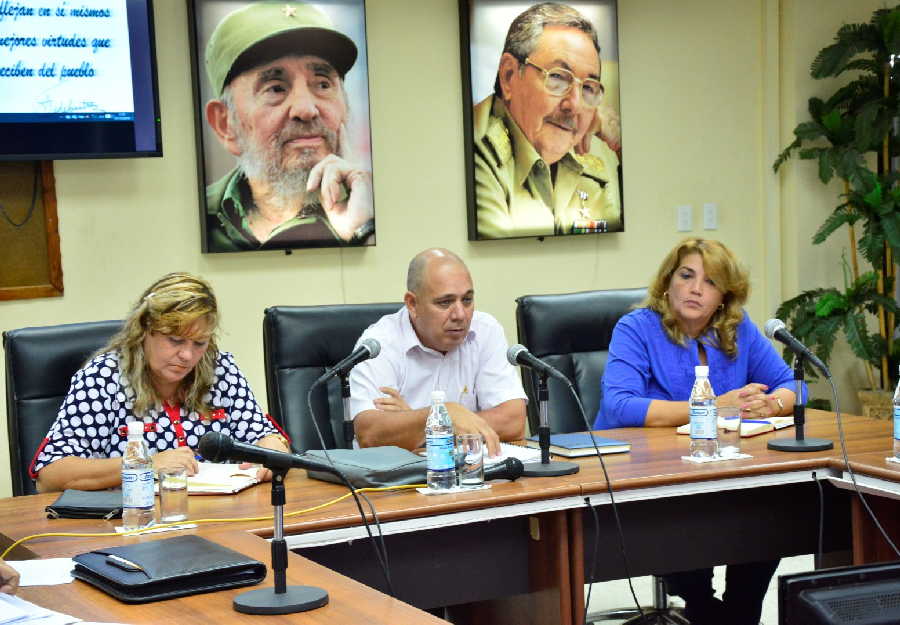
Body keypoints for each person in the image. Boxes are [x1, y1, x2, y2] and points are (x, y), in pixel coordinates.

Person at [594, 238, 798, 625]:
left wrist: (771, 403)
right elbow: (620, 405)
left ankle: (735, 612)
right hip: (644, 477)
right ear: (668, 282)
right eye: (686, 276)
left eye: (710, 282)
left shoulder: (738, 330)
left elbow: (793, 384)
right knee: (689, 527)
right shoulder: (637, 328)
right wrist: (715, 404)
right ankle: (703, 606)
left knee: (769, 519)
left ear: (724, 295)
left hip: (721, 469)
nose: (695, 288)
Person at [32, 273, 291, 492]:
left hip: (220, 520)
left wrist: (268, 456)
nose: (187, 356)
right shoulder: (103, 377)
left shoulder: (219, 370)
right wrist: (146, 464)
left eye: (199, 343)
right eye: (175, 341)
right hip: (132, 525)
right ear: (144, 329)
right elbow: (51, 475)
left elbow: (268, 439)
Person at [203, 1, 375, 252]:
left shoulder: (378, 208)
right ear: (224, 123)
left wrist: (365, 230)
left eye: (323, 84)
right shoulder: (200, 219)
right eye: (275, 88)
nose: (306, 110)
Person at [349, 248, 526, 456]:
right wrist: (444, 415)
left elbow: (513, 421)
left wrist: (420, 422)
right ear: (412, 304)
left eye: (467, 300)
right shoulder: (380, 344)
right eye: (445, 302)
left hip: (472, 473)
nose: (460, 314)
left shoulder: (485, 330)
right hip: (397, 481)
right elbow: (370, 434)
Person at [473, 2, 622, 239]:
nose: (573, 104)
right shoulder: (477, 149)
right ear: (509, 76)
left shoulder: (593, 154)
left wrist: (619, 147)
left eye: (588, 88)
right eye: (558, 78)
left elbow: (611, 222)